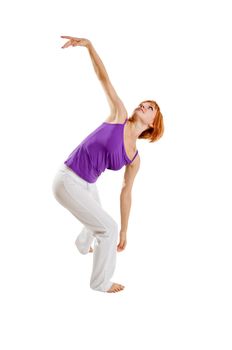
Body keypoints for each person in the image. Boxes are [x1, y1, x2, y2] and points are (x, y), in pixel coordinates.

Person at [52, 36, 164, 293]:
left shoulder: (134, 158)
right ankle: (100, 282)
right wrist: (89, 46)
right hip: (67, 179)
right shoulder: (119, 115)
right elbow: (104, 79)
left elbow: (126, 194)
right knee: (107, 228)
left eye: (150, 108)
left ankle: (82, 245)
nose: (143, 105)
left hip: (86, 184)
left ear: (152, 125)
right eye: (144, 103)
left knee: (105, 219)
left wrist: (125, 231)